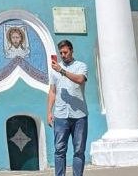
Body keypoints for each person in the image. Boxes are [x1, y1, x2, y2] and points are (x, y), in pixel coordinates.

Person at [45, 40, 88, 176]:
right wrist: (49, 112)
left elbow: (80, 79)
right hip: (61, 115)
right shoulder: (55, 71)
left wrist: (62, 71)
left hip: (79, 116)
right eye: (61, 53)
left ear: (71, 51)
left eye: (65, 52)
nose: (63, 55)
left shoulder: (81, 66)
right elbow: (52, 91)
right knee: (59, 150)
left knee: (79, 150)